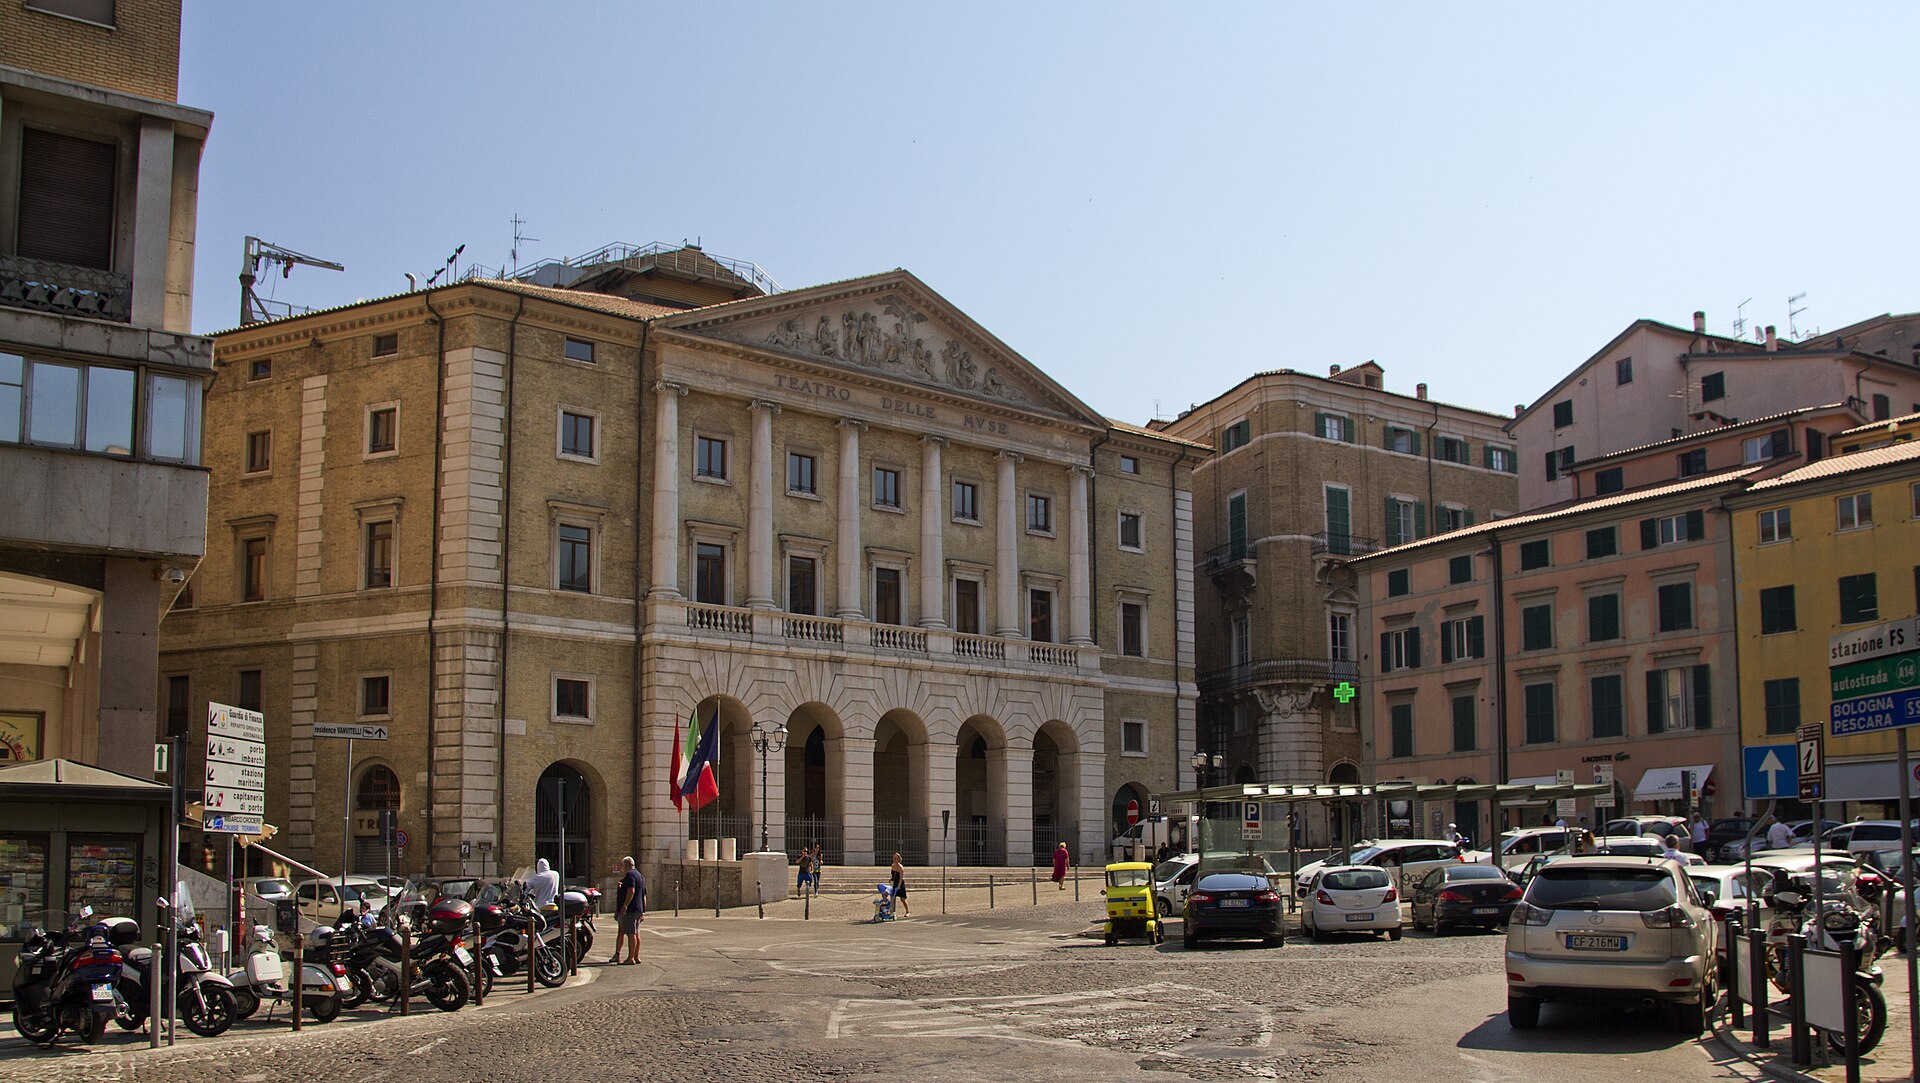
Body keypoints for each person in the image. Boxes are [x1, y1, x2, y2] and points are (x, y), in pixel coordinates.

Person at [611, 856, 645, 965]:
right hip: (637, 909)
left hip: (630, 910)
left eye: (622, 866)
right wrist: (643, 911)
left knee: (631, 933)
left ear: (626, 865)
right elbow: (644, 895)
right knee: (634, 932)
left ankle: (630, 958)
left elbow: (631, 891)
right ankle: (635, 956)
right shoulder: (640, 876)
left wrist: (625, 906)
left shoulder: (630, 875)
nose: (621, 868)